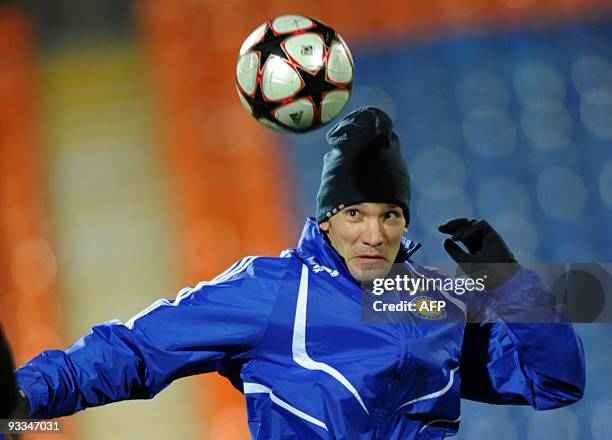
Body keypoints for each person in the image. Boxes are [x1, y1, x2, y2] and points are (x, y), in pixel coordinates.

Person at [0, 107, 584, 439]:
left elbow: (553, 382)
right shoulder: (270, 291)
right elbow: (134, 349)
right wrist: (24, 397)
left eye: (391, 216)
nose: (373, 234)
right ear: (326, 220)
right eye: (355, 213)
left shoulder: (434, 300)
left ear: (407, 224)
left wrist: (508, 280)